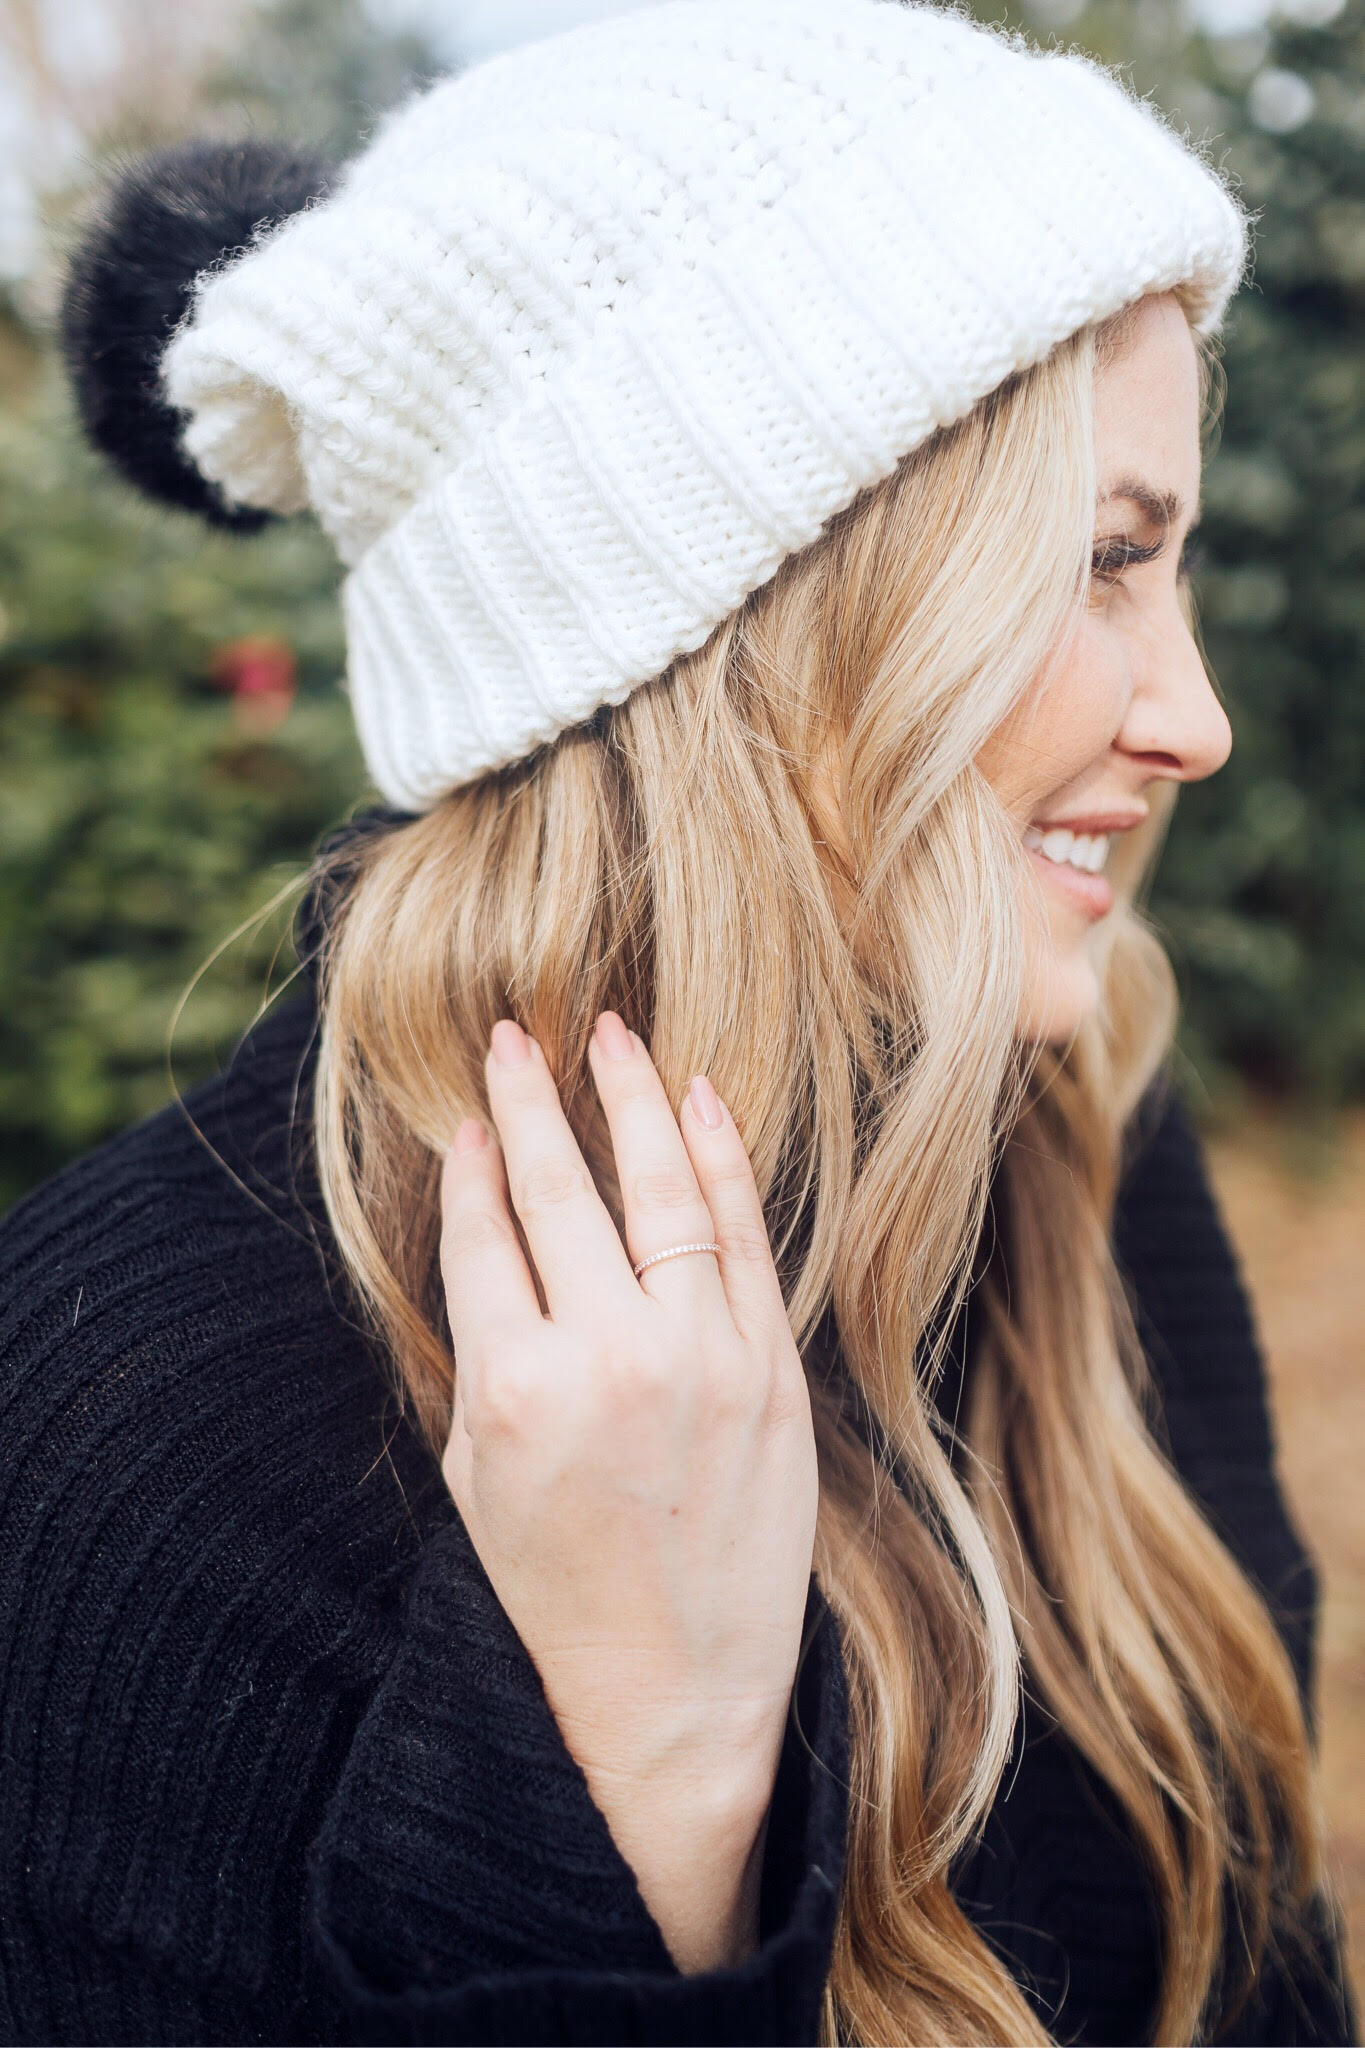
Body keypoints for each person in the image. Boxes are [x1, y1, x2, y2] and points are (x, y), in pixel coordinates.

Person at [0, 1, 1355, 2041]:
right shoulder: (136, 1420)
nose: (1191, 719)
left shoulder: (1065, 1145)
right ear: (735, 620)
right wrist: (629, 1769)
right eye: (1093, 562)